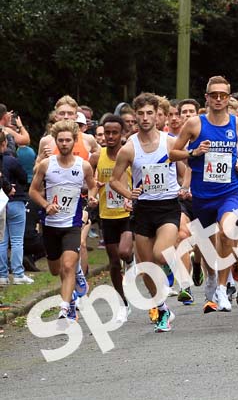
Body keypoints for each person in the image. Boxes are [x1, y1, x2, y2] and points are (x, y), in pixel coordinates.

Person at [170, 77, 238, 314]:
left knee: (227, 233)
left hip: (230, 191)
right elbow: (173, 153)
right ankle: (211, 279)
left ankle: (223, 288)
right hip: (202, 195)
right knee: (206, 245)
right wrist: (194, 151)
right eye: (213, 95)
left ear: (229, 98)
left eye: (223, 95)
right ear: (206, 97)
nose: (218, 99)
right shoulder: (195, 124)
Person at [110, 93, 186, 331]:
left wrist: (185, 188)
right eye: (140, 114)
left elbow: (186, 170)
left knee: (161, 255)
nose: (145, 118)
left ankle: (179, 269)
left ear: (157, 114)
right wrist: (127, 193)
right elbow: (114, 180)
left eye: (149, 113)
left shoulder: (170, 142)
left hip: (167, 207)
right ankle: (162, 309)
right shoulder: (129, 148)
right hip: (143, 210)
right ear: (135, 116)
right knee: (146, 268)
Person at [28, 120, 98, 321]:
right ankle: (76, 277)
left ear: (74, 141)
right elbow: (33, 190)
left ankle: (66, 307)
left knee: (67, 266)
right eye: (61, 140)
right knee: (55, 269)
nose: (65, 143)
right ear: (56, 142)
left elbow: (92, 186)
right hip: (50, 224)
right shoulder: (46, 165)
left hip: (72, 225)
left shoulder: (83, 166)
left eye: (68, 140)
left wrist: (91, 198)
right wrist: (46, 205)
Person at [95, 114, 134, 322]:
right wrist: (93, 191)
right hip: (106, 214)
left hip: (127, 212)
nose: (109, 137)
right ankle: (122, 302)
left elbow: (141, 178)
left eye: (114, 133)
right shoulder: (97, 156)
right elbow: (91, 182)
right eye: (106, 132)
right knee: (113, 262)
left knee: (124, 251)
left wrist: (133, 196)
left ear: (122, 134)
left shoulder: (130, 155)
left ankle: (131, 259)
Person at [0, 135, 32, 285]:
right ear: (5, 143)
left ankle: (2, 275)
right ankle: (18, 274)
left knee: (2, 240)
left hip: (1, 203)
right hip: (15, 201)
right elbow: (24, 177)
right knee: (17, 240)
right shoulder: (12, 160)